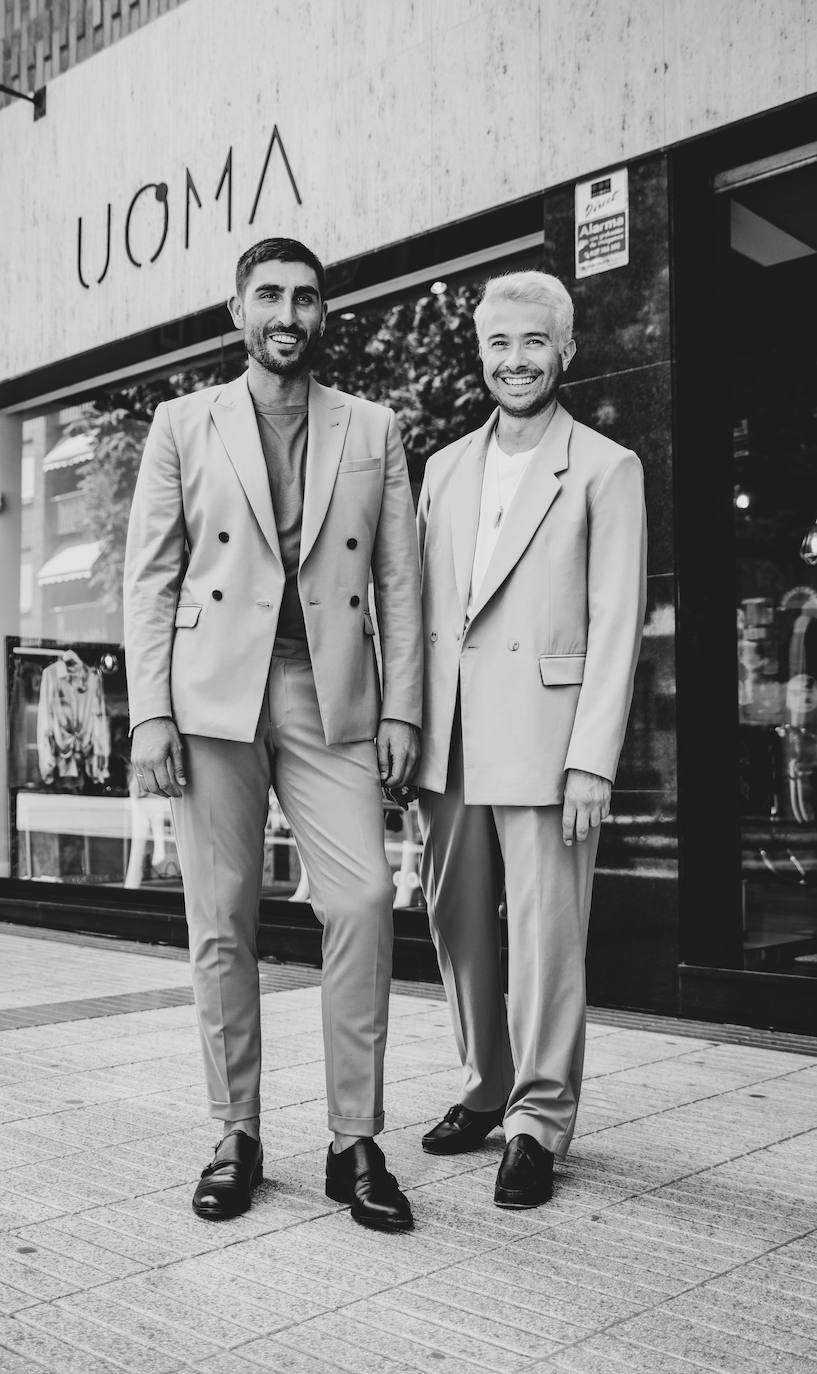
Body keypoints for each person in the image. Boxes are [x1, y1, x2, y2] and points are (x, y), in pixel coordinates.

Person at [124, 237, 422, 1231]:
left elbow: (399, 584)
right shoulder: (181, 423)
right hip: (213, 693)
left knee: (365, 898)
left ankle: (353, 1139)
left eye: (303, 297)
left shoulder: (373, 427)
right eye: (268, 296)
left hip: (328, 691)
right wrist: (151, 711)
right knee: (222, 920)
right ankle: (236, 1132)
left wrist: (403, 707)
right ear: (236, 311)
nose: (286, 313)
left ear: (322, 312)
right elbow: (153, 575)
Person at [416, 271, 646, 1207]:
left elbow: (616, 621)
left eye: (532, 343)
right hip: (452, 739)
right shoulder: (441, 467)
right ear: (481, 354)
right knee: (457, 925)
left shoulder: (605, 467)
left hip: (549, 743)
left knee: (547, 939)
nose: (515, 361)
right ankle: (482, 1085)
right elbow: (424, 611)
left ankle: (538, 1120)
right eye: (498, 344)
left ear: (565, 350)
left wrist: (593, 754)